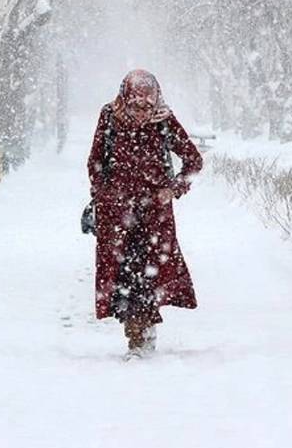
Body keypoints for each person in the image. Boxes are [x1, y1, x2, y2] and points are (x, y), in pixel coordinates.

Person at [87, 69, 204, 358]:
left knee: (148, 274)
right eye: (135, 106)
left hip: (155, 215)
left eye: (146, 106)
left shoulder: (164, 121)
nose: (141, 113)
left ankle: (142, 334)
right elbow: (95, 162)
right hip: (117, 214)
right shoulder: (109, 117)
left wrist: (174, 189)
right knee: (123, 275)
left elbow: (193, 161)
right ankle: (136, 331)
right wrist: (104, 194)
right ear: (124, 98)